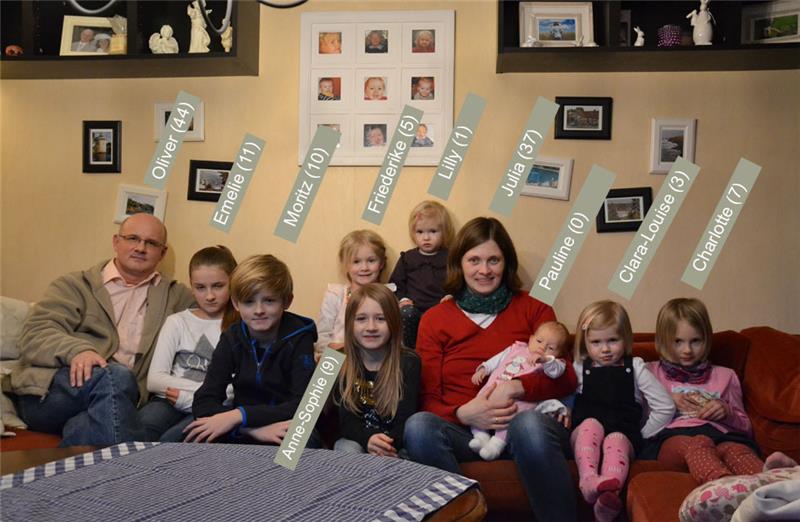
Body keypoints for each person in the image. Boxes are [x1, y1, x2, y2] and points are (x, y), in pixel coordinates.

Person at [404, 217, 578, 521]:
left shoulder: (535, 309)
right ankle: (465, 514)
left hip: (526, 424)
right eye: (474, 260)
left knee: (528, 426)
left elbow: (566, 376)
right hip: (465, 431)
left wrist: (517, 387)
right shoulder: (434, 319)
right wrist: (463, 413)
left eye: (493, 260)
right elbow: (427, 397)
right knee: (418, 426)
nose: (484, 270)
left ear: (506, 263)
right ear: (459, 263)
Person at [10, 213, 194, 446]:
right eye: (132, 238)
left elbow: (217, 312)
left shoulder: (178, 297)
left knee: (88, 425)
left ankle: (79, 433)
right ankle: (125, 473)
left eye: (151, 243)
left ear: (162, 253)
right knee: (115, 376)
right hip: (55, 393)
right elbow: (35, 334)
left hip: (127, 400)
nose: (140, 247)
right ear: (116, 242)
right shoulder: (74, 285)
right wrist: (78, 351)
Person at [643, 298, 796, 482]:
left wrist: (727, 412)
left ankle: (776, 481)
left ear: (707, 339)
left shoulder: (726, 375)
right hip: (672, 439)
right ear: (662, 341)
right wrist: (664, 400)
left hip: (722, 435)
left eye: (695, 341)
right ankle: (722, 486)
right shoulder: (648, 373)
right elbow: (634, 418)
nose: (687, 350)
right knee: (699, 443)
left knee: (737, 450)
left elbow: (746, 427)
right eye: (678, 342)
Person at [187, 255, 318, 445]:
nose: (259, 310)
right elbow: (204, 401)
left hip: (287, 424)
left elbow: (305, 407)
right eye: (249, 302)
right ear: (236, 304)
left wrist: (240, 415)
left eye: (269, 301)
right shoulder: (232, 337)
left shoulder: (300, 338)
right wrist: (250, 428)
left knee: (298, 442)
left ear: (287, 301)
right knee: (193, 436)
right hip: (245, 426)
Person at [569, 300, 675, 522]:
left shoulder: (635, 367)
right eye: (596, 342)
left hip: (624, 434)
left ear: (626, 338)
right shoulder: (579, 368)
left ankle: (607, 499)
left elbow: (664, 406)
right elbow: (560, 399)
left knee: (617, 440)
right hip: (585, 434)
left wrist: (642, 435)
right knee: (591, 425)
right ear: (585, 342)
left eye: (612, 340)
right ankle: (588, 481)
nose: (605, 349)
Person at [139, 246, 237, 442]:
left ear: (232, 283)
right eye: (200, 287)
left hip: (216, 406)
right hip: (168, 401)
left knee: (174, 440)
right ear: (191, 287)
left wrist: (191, 399)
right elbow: (155, 380)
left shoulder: (240, 326)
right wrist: (197, 393)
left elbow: (233, 389)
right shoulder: (177, 322)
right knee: (141, 431)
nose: (209, 296)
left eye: (218, 286)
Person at [333, 284, 420, 456]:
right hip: (356, 440)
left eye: (381, 319)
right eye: (361, 319)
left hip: (394, 444)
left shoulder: (409, 362)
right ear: (350, 323)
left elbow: (406, 420)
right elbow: (346, 421)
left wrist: (383, 444)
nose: (371, 327)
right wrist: (369, 439)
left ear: (394, 322)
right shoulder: (336, 360)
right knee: (346, 448)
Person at [469, 321, 571, 460]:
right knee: (478, 406)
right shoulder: (516, 348)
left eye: (551, 348)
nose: (542, 347)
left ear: (559, 353)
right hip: (492, 388)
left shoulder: (555, 363)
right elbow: (496, 360)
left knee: (511, 416)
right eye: (539, 341)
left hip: (519, 400)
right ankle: (480, 436)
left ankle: (496, 444)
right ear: (530, 339)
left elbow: (556, 372)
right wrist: (484, 369)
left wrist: (545, 360)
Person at [315, 230, 389, 359]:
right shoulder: (335, 295)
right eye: (356, 262)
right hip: (335, 356)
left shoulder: (388, 296)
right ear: (346, 264)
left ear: (381, 263)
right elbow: (321, 337)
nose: (364, 267)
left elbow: (393, 339)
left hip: (373, 359)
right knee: (321, 376)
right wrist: (333, 350)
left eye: (371, 261)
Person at [389, 201, 453, 348]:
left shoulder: (449, 257)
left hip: (439, 308)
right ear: (413, 233)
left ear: (444, 232)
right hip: (414, 310)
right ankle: (411, 352)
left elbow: (458, 281)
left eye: (433, 231)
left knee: (450, 316)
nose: (426, 238)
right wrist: (403, 299)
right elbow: (395, 284)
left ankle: (437, 352)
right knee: (407, 313)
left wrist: (451, 295)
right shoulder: (407, 258)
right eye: (420, 232)